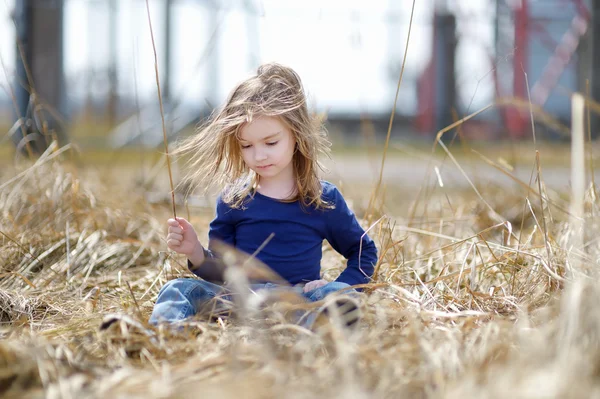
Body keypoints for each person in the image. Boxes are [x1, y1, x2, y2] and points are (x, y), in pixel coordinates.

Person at [149, 62, 378, 328]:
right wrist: (195, 252)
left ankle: (332, 324)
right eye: (247, 146)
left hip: (298, 301)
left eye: (271, 143)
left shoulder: (322, 199)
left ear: (297, 134)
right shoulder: (233, 200)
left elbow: (363, 251)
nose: (259, 155)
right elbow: (222, 270)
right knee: (180, 289)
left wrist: (341, 287)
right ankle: (161, 334)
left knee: (331, 297)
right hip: (241, 301)